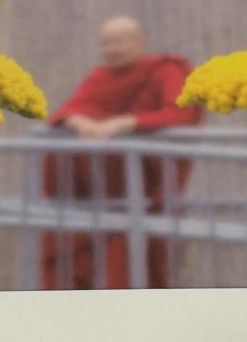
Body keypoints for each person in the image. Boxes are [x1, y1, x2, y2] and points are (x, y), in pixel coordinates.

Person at [41, 15, 202, 289]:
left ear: (140, 42)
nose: (111, 50)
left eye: (119, 42)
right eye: (105, 44)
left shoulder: (166, 70)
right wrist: (78, 123)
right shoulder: (100, 77)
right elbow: (73, 109)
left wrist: (127, 123)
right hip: (98, 194)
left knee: (137, 267)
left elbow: (181, 114)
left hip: (147, 192)